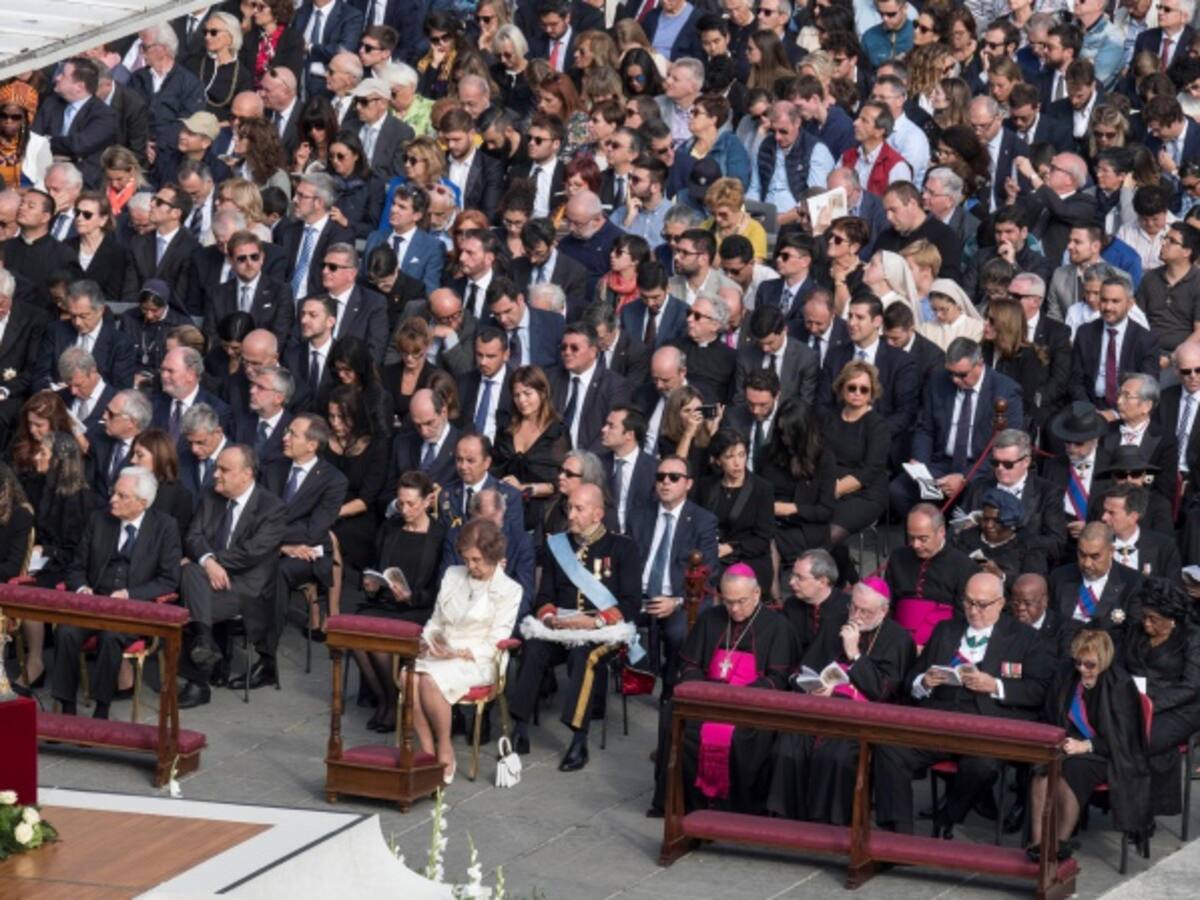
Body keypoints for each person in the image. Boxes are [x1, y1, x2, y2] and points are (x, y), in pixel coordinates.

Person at [875, 572, 1052, 836]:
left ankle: (948, 816)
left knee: (983, 766)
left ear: (1001, 603)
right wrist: (924, 681)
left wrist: (995, 686)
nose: (973, 610)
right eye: (968, 602)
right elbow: (911, 678)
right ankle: (898, 831)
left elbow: (1038, 690)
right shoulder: (947, 629)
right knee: (889, 747)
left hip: (986, 726)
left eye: (982, 604)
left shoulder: (1026, 639)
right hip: (939, 720)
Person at [507, 483, 641, 770]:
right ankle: (519, 728)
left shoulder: (623, 548)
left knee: (585, 656)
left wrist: (596, 621)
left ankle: (579, 740)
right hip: (562, 626)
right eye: (570, 508)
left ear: (597, 514)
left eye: (579, 509)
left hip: (604, 630)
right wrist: (550, 619)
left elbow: (631, 603)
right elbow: (545, 597)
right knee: (533, 647)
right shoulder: (558, 546)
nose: (571, 515)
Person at [648, 564, 796, 816]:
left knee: (742, 737)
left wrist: (737, 696)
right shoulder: (711, 618)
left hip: (750, 707)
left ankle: (734, 808)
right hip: (708, 700)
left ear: (757, 594)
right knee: (676, 718)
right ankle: (680, 802)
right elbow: (690, 664)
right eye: (728, 602)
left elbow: (777, 679)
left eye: (741, 601)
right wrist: (707, 691)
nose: (734, 609)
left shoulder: (777, 626)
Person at [768, 577, 916, 823]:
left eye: (865, 611)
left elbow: (882, 692)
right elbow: (805, 668)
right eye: (853, 607)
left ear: (883, 610)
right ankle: (786, 820)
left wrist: (854, 654)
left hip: (861, 720)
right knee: (787, 746)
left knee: (835, 756)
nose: (856, 615)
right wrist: (811, 685)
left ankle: (830, 825)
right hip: (819, 710)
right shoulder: (835, 623)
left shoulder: (899, 640)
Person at [50, 467, 181, 719]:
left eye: (122, 496)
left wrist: (130, 594)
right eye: (114, 493)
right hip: (94, 603)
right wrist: (81, 588)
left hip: (133, 610)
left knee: (111, 636)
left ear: (143, 503)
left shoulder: (165, 527)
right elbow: (75, 567)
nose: (113, 500)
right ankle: (66, 709)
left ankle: (102, 709)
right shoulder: (99, 520)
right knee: (66, 632)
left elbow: (168, 580)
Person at [178, 445, 288, 708]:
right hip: (206, 582)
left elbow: (251, 553)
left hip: (245, 588)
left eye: (224, 470)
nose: (216, 474)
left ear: (247, 474)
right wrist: (207, 562)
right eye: (217, 467)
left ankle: (198, 682)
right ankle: (205, 644)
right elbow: (193, 536)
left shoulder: (271, 508)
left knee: (189, 604)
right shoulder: (211, 496)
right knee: (191, 571)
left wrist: (212, 561)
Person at [413, 518, 521, 784]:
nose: (470, 566)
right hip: (442, 652)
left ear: (494, 556)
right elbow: (436, 620)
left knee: (428, 680)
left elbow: (497, 639)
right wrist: (430, 641)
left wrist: (456, 653)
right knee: (410, 675)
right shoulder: (453, 574)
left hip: (479, 660)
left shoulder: (509, 590)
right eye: (467, 559)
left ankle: (445, 749)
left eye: (477, 560)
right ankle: (426, 752)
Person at [1029, 629, 1151, 861]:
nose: (1082, 669)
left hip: (1106, 753)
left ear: (1103, 661)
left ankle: (1059, 843)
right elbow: (1051, 715)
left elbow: (1124, 741)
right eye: (1078, 662)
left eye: (1090, 665)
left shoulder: (1120, 686)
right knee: (1041, 772)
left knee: (1073, 772)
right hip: (1069, 745)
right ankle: (1037, 844)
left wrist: (1087, 746)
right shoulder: (1067, 676)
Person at [15, 431, 92, 689]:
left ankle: (35, 662)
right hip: (44, 560)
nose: (38, 457)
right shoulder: (41, 485)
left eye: (44, 453)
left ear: (59, 459)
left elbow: (74, 548)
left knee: (29, 593)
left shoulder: (78, 498)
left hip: (65, 567)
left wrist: (45, 552)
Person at [884, 503, 980, 647]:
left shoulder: (964, 566)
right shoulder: (898, 556)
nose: (915, 545)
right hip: (897, 638)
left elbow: (963, 616)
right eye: (911, 538)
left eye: (923, 539)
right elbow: (888, 602)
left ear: (941, 532)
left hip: (941, 642)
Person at [697, 428, 774, 591]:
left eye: (741, 455)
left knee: (722, 581)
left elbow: (762, 539)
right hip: (712, 553)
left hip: (749, 557)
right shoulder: (706, 485)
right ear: (718, 460)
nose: (737, 463)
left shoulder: (762, 489)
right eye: (729, 456)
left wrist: (730, 548)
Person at [824, 360, 890, 548]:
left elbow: (869, 471)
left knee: (826, 537)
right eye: (852, 387)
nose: (857, 393)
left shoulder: (877, 426)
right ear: (842, 389)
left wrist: (832, 491)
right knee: (809, 528)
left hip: (865, 495)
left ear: (872, 394)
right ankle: (846, 574)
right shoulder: (829, 419)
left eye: (864, 389)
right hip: (830, 486)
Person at [129, 427, 194, 536]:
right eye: (133, 454)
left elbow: (175, 540)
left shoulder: (180, 495)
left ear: (159, 456)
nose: (132, 460)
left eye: (140, 455)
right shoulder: (127, 484)